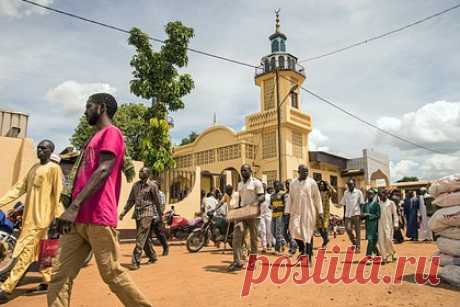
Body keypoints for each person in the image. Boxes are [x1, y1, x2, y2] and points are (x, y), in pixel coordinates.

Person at [48, 93, 151, 307]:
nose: (85, 110)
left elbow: (103, 169)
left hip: (97, 217)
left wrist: (74, 207)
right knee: (59, 274)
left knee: (112, 274)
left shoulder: (112, 133)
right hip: (77, 220)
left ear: (101, 107)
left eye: (88, 106)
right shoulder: (91, 138)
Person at [0, 140, 63, 303]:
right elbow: (19, 188)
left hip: (42, 221)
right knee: (44, 253)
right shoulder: (34, 168)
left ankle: (7, 287)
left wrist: (57, 217)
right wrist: (1, 202)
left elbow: (58, 195)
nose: (40, 150)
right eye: (39, 148)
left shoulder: (54, 169)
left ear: (51, 151)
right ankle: (48, 281)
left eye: (44, 148)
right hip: (29, 220)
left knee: (26, 254)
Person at [119, 167, 161, 269]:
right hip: (138, 213)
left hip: (148, 213)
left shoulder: (152, 186)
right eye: (140, 171)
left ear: (148, 173)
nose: (140, 172)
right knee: (144, 238)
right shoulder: (136, 186)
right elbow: (130, 201)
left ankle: (135, 261)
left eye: (142, 171)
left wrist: (160, 215)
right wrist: (124, 212)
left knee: (140, 236)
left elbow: (157, 201)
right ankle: (152, 255)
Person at [227, 164, 264, 272]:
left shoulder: (256, 183)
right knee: (237, 236)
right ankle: (237, 261)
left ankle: (252, 261)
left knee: (253, 239)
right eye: (241, 170)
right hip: (242, 212)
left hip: (253, 213)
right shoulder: (239, 185)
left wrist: (255, 203)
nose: (243, 172)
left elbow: (261, 196)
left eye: (245, 170)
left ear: (250, 171)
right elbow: (239, 199)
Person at [286, 165, 323, 263]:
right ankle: (302, 250)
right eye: (304, 171)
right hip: (296, 212)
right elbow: (290, 198)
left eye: (307, 171)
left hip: (309, 212)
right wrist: (287, 211)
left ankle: (309, 258)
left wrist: (320, 211)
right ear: (299, 171)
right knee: (294, 231)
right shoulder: (293, 183)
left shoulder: (312, 183)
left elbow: (317, 197)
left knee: (308, 235)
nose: (306, 173)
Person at [340, 179, 365, 252]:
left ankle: (358, 247)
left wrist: (362, 213)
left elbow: (361, 203)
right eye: (348, 185)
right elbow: (344, 204)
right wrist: (344, 215)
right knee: (348, 229)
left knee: (358, 231)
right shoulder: (345, 193)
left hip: (356, 214)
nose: (350, 186)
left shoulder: (359, 192)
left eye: (351, 184)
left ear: (354, 184)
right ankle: (354, 242)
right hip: (348, 215)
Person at [377, 190, 399, 263]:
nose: (380, 197)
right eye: (379, 196)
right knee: (381, 240)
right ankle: (384, 257)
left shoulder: (391, 203)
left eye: (382, 196)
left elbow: (395, 214)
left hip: (388, 224)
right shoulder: (378, 204)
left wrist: (396, 224)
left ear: (386, 195)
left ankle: (393, 252)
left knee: (388, 239)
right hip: (380, 224)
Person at [317, 180, 337, 248]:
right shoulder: (317, 193)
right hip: (319, 212)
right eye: (320, 184)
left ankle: (325, 243)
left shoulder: (327, 192)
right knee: (319, 228)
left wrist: (329, 184)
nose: (321, 186)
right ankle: (325, 239)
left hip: (326, 212)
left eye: (323, 184)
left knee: (325, 227)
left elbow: (334, 192)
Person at [362, 189, 380, 260]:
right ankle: (369, 256)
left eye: (371, 194)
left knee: (373, 242)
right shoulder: (365, 205)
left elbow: (378, 215)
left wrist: (369, 215)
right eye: (368, 194)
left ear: (374, 195)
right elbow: (363, 216)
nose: (369, 195)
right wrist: (362, 216)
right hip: (368, 226)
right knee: (370, 241)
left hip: (375, 226)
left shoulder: (376, 205)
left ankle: (375, 255)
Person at [270, 181, 286, 254]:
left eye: (277, 186)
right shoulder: (272, 195)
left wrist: (279, 207)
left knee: (278, 232)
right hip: (274, 214)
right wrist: (271, 206)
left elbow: (285, 204)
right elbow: (270, 205)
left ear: (279, 186)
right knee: (272, 231)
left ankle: (277, 249)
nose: (276, 187)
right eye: (275, 186)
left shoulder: (283, 194)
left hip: (280, 214)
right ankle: (283, 242)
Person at [283, 179, 297, 255]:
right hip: (285, 215)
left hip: (292, 215)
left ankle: (293, 247)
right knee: (284, 232)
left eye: (289, 184)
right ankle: (292, 244)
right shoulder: (285, 195)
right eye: (287, 184)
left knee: (291, 232)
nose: (288, 185)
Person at [258, 183, 273, 253]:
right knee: (263, 231)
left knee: (269, 230)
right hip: (261, 216)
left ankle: (269, 244)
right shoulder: (258, 197)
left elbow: (272, 205)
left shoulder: (269, 196)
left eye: (263, 187)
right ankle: (264, 246)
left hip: (269, 215)